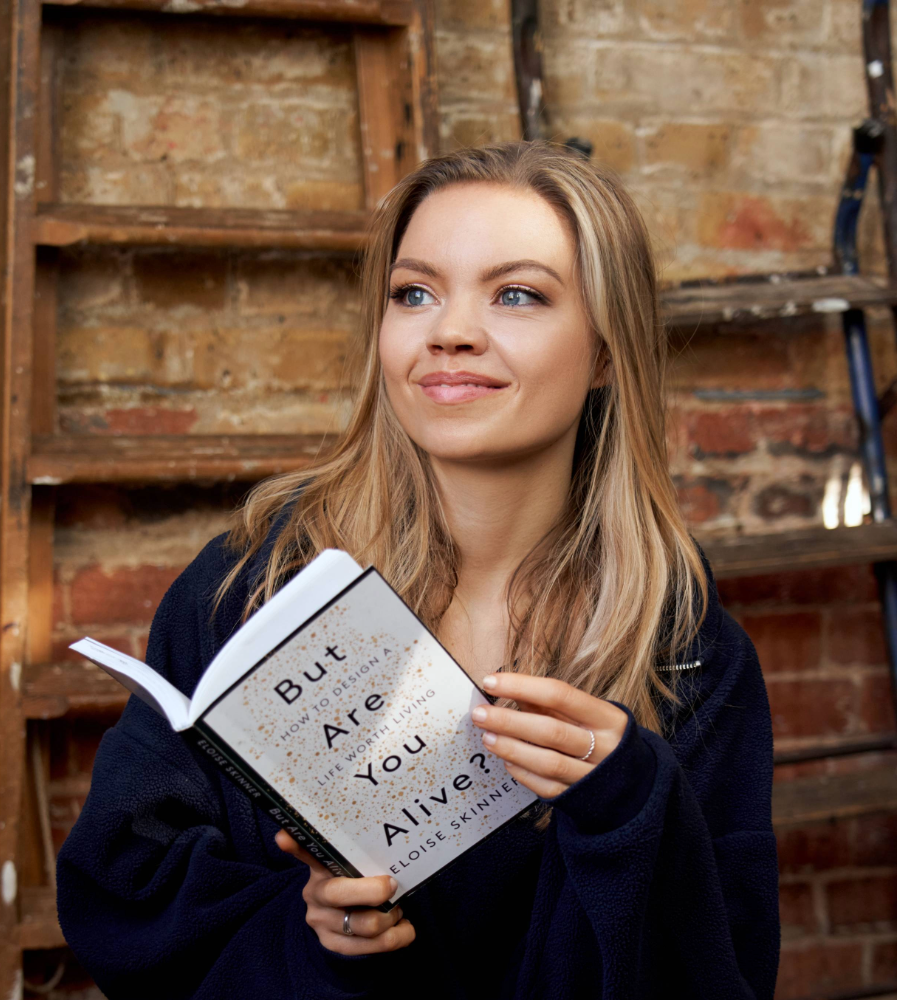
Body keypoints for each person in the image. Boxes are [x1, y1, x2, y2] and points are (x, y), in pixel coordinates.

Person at [57, 141, 780, 999]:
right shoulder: (248, 589)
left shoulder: (688, 655)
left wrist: (628, 808)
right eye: (414, 292)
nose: (450, 331)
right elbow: (120, 891)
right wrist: (312, 938)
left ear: (607, 356)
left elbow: (725, 974)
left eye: (517, 294)